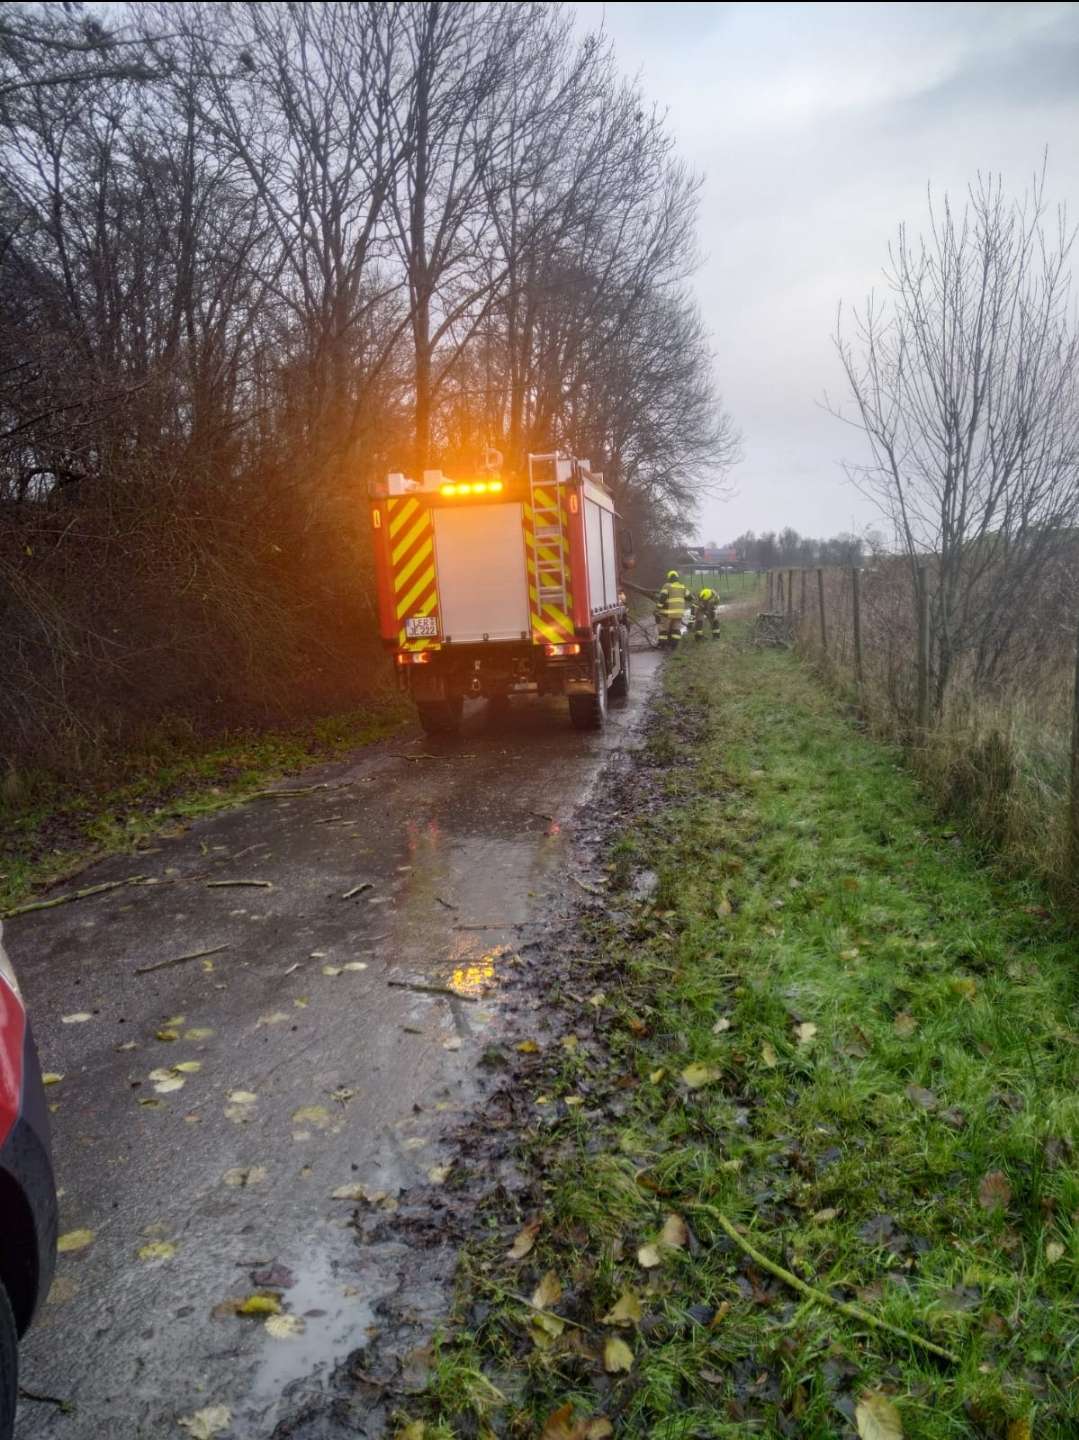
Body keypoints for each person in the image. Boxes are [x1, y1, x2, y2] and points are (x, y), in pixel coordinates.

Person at [655, 570, 688, 644]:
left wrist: (658, 607)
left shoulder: (667, 586)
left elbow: (662, 598)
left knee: (663, 629)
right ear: (677, 578)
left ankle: (663, 645)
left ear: (669, 578)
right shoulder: (682, 587)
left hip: (667, 613)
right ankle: (674, 645)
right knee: (676, 629)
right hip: (678, 614)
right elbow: (689, 597)